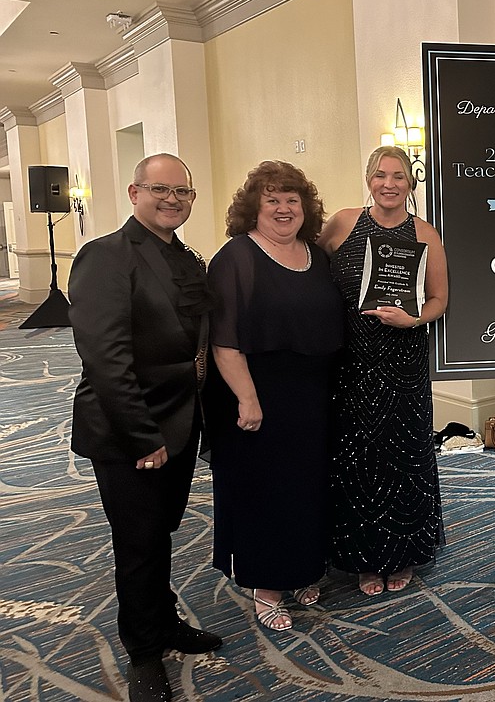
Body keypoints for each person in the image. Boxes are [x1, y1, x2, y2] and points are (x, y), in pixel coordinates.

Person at [69, 154, 222, 702]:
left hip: (181, 423)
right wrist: (143, 437)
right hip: (129, 431)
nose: (174, 200)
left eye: (183, 192)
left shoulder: (188, 258)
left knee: (160, 534)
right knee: (136, 544)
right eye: (161, 189)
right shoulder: (105, 256)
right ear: (134, 192)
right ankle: (144, 654)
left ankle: (164, 624)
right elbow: (106, 359)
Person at [205, 161, 344, 631]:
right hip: (257, 392)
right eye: (272, 200)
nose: (284, 208)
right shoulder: (237, 258)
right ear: (253, 209)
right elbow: (224, 341)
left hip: (312, 393)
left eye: (292, 199)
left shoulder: (316, 256)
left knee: (308, 484)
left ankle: (303, 569)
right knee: (266, 490)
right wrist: (247, 398)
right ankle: (267, 588)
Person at [318, 146, 449, 595]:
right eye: (380, 175)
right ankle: (363, 559)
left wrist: (412, 319)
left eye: (398, 176)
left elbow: (439, 300)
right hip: (350, 360)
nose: (388, 183)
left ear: (411, 183)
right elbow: (307, 269)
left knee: (403, 456)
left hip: (403, 362)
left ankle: (402, 554)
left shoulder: (425, 234)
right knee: (355, 457)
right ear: (368, 179)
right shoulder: (342, 223)